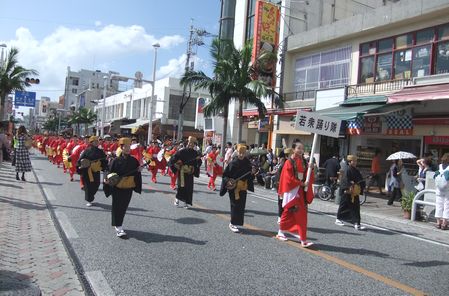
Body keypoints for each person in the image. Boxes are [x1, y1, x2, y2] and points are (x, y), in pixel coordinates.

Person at [276, 141, 314, 247]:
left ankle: (302, 238)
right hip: (292, 190)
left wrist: (311, 168)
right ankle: (282, 231)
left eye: (302, 148)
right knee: (288, 211)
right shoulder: (289, 162)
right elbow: (288, 178)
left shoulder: (304, 162)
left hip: (300, 191)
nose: (301, 150)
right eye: (299, 148)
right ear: (293, 149)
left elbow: (308, 174)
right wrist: (301, 183)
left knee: (301, 214)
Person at [104, 137, 142, 238]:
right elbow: (108, 171)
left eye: (129, 146)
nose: (128, 149)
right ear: (121, 147)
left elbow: (137, 174)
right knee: (117, 206)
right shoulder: (115, 160)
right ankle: (118, 226)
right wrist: (107, 179)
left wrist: (138, 171)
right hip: (117, 186)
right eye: (126, 147)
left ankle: (118, 223)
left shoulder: (134, 160)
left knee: (124, 206)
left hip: (128, 187)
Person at [220, 144, 255, 233]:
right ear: (237, 152)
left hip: (243, 187)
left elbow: (250, 177)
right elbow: (225, 175)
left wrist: (252, 174)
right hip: (234, 187)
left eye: (243, 153)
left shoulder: (247, 164)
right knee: (235, 205)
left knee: (241, 205)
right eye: (240, 153)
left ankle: (237, 222)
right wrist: (228, 181)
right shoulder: (233, 163)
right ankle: (232, 223)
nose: (242, 155)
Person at [169, 136, 202, 208]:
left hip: (190, 172)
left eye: (193, 143)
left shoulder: (195, 153)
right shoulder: (182, 151)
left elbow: (199, 162)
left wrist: (197, 162)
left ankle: (186, 202)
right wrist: (178, 164)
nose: (191, 144)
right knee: (181, 186)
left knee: (189, 188)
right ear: (187, 143)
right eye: (190, 143)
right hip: (182, 172)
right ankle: (177, 199)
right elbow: (173, 159)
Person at [335, 155, 366, 230]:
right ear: (349, 162)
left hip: (354, 191)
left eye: (356, 161)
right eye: (353, 161)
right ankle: (339, 219)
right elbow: (345, 180)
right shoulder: (347, 170)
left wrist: (361, 185)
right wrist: (347, 188)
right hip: (348, 191)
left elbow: (360, 180)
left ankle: (356, 223)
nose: (355, 162)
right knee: (344, 206)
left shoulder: (355, 170)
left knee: (355, 207)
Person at [77, 136, 108, 207]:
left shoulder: (100, 151)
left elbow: (104, 160)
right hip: (87, 171)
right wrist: (82, 165)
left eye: (97, 141)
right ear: (91, 143)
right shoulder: (86, 151)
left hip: (96, 171)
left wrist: (105, 165)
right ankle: (89, 200)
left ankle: (91, 196)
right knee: (88, 186)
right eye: (95, 141)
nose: (96, 142)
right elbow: (80, 160)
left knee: (96, 185)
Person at [434, 153, 449, 230]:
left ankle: (438, 223)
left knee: (439, 205)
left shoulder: (439, 166)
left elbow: (434, 176)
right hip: (447, 190)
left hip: (439, 189)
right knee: (447, 206)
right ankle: (444, 224)